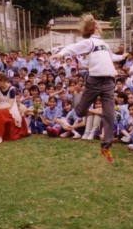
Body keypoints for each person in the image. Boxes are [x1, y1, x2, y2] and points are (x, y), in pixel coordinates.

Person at [52, 13, 127, 162]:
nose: (100, 25)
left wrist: (123, 56)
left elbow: (112, 57)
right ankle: (68, 110)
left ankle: (106, 146)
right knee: (80, 111)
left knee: (110, 115)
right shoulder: (90, 42)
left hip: (109, 83)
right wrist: (61, 54)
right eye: (98, 23)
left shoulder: (104, 44)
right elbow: (74, 48)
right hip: (94, 81)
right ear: (94, 26)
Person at [0, 72, 23, 143]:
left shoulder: (12, 89)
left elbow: (10, 105)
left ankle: (0, 135)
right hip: (1, 105)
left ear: (3, 80)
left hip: (10, 108)